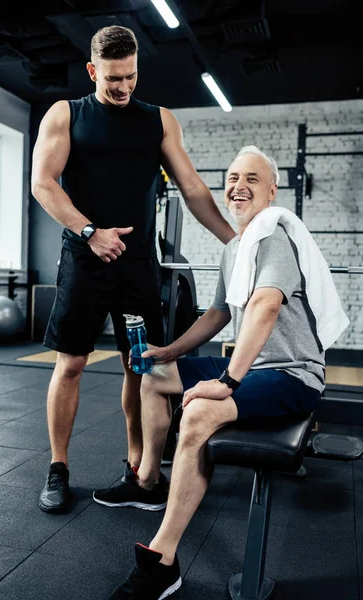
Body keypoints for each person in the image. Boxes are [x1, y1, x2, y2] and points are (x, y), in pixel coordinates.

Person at [101, 145, 349, 599]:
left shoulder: (274, 236)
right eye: (233, 177)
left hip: (292, 374)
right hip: (252, 366)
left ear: (272, 192)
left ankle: (163, 561)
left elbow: (266, 304)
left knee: (197, 414)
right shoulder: (236, 247)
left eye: (252, 179)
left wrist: (227, 381)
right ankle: (150, 481)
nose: (238, 186)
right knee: (154, 379)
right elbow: (217, 314)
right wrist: (167, 352)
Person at [31, 25, 235, 514]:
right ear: (92, 70)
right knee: (73, 362)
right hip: (84, 257)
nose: (122, 87)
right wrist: (89, 233)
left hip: (139, 262)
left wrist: (236, 241)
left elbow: (191, 188)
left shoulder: (159, 121)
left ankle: (137, 467)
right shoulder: (67, 115)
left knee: (139, 365)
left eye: (131, 76)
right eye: (113, 78)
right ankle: (58, 468)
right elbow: (43, 183)